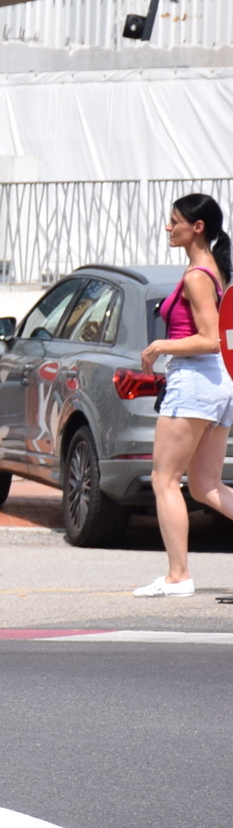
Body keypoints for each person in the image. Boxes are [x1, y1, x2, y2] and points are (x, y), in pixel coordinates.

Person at [135, 192, 233, 597]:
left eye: (174, 220)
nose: (167, 227)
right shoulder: (215, 271)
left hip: (195, 380)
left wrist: (160, 347)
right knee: (206, 485)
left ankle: (178, 576)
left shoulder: (197, 275)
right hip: (219, 382)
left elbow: (210, 339)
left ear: (197, 227)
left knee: (164, 479)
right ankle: (178, 574)